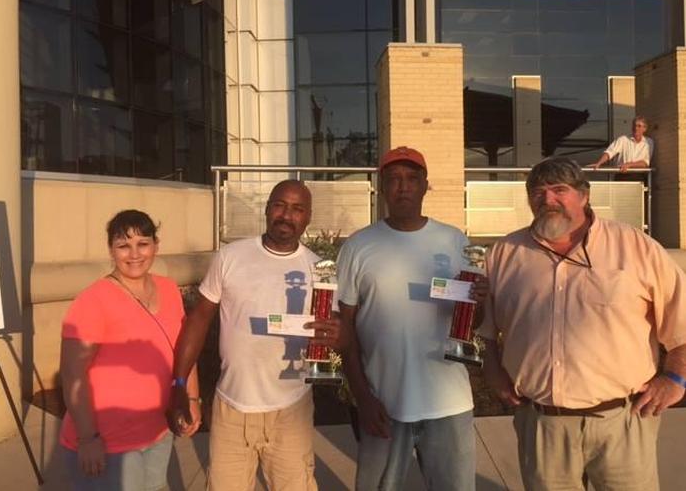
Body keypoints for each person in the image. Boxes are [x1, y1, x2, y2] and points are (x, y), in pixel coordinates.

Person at [481, 157, 686, 491]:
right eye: (537, 192)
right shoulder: (505, 253)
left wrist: (676, 378)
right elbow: (487, 329)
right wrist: (493, 372)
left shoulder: (635, 247)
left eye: (559, 190)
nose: (547, 200)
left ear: (584, 195)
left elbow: (682, 319)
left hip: (623, 423)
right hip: (542, 426)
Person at [167, 180, 340, 491]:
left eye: (297, 209)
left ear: (309, 217)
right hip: (232, 408)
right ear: (267, 208)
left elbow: (338, 334)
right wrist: (179, 382)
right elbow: (199, 320)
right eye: (279, 205)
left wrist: (338, 337)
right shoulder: (231, 257)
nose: (286, 215)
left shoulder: (320, 270)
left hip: (291, 409)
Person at [335, 146, 487, 491]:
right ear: (382, 187)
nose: (403, 186)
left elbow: (471, 322)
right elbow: (346, 330)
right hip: (383, 402)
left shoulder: (454, 241)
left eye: (411, 178)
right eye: (394, 179)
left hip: (448, 401)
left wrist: (478, 301)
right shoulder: (358, 247)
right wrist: (362, 396)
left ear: (425, 185)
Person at [60, 209, 200, 491]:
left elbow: (184, 349)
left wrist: (192, 399)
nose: (134, 254)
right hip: (108, 442)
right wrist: (87, 439)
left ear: (156, 246)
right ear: (111, 250)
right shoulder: (93, 300)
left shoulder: (169, 289)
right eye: (123, 245)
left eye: (143, 243)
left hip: (157, 432)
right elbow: (72, 375)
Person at [588, 116, 653, 172]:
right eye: (634, 125)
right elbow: (609, 152)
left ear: (645, 129)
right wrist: (599, 163)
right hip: (622, 175)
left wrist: (628, 165)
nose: (636, 128)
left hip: (639, 177)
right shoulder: (623, 139)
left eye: (639, 126)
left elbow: (645, 163)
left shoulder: (648, 142)